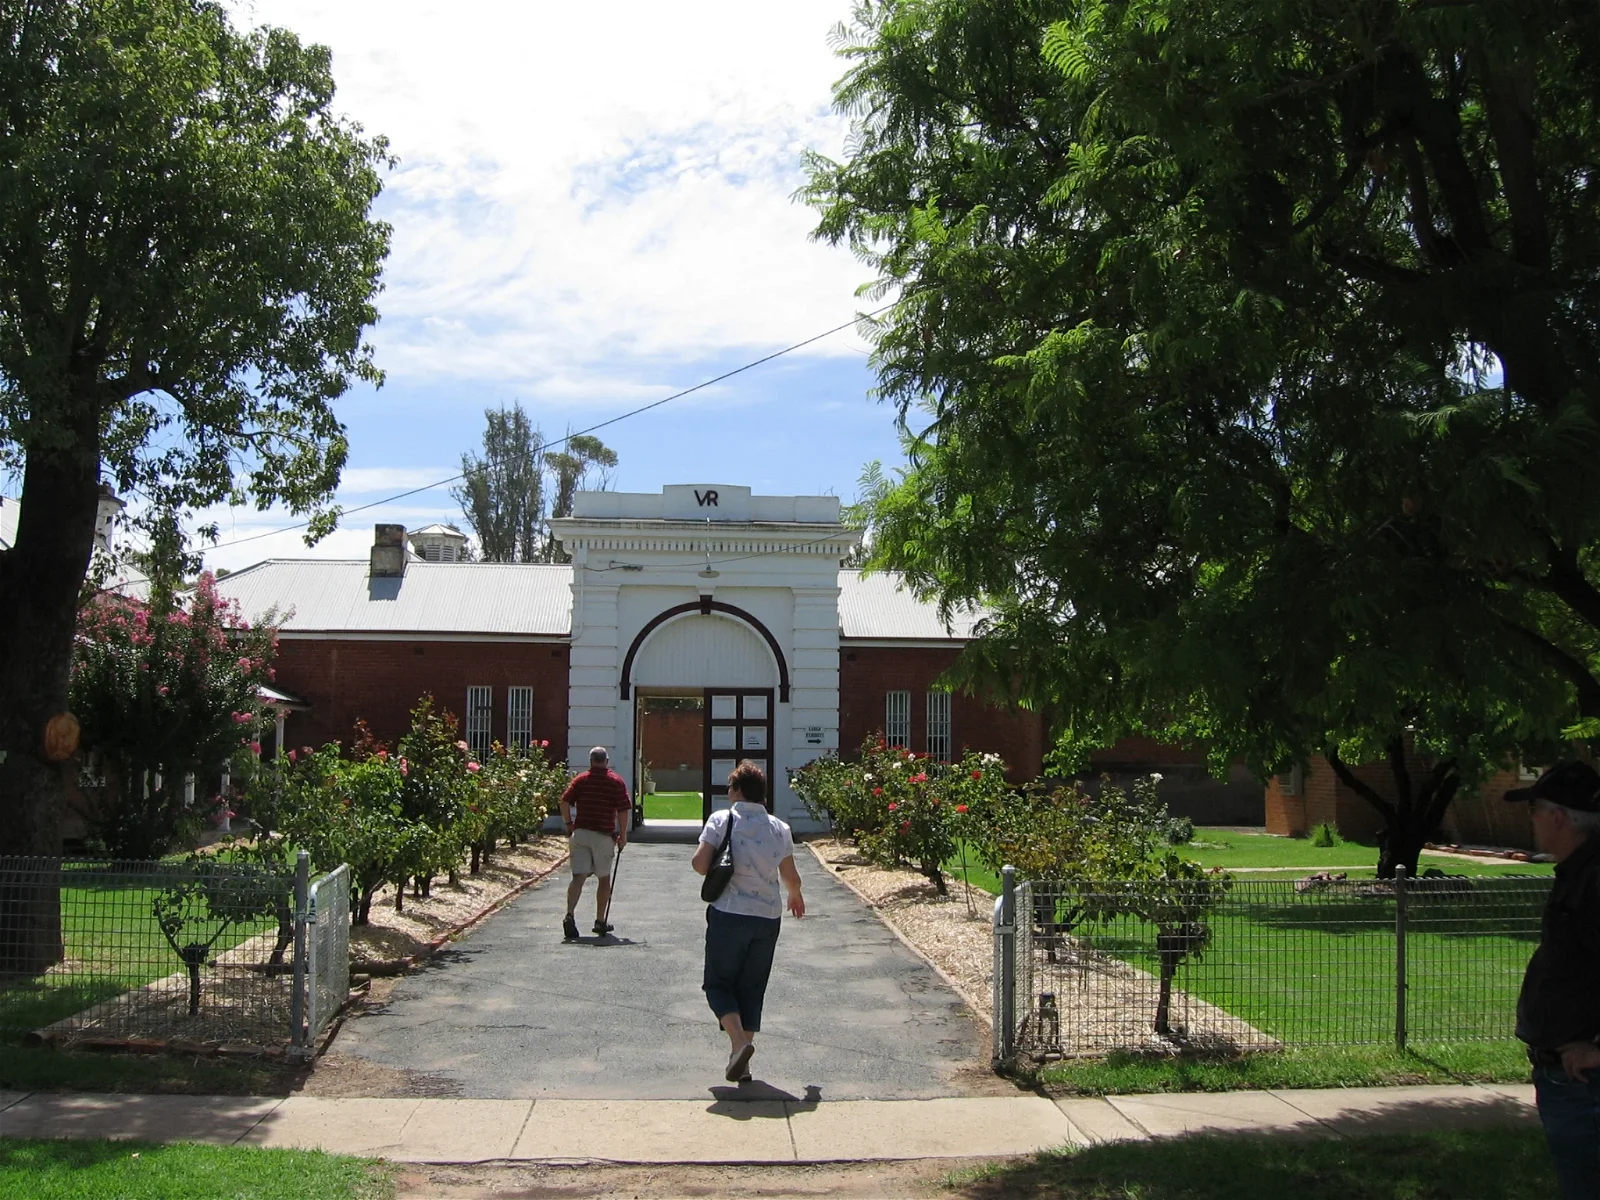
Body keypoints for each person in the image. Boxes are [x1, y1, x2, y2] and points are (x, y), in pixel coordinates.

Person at [1508, 760, 1600, 1199]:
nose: (1533, 820)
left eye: (1535, 810)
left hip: (1584, 1084)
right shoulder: (1579, 873)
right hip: (1566, 1079)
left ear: (1558, 817)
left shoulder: (1594, 881)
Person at [690, 760, 805, 1083]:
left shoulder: (721, 820)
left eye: (730, 787)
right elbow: (790, 876)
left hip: (730, 912)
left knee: (718, 984)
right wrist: (795, 896)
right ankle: (741, 1060)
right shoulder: (779, 828)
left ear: (739, 790)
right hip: (767, 917)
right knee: (752, 988)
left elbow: (700, 865)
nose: (727, 793)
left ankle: (739, 1043)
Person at [558, 746, 631, 941]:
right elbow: (623, 810)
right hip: (603, 835)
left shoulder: (581, 780)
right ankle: (600, 920)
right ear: (606, 761)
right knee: (604, 878)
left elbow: (564, 802)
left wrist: (568, 824)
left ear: (591, 761)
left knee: (578, 877)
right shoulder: (615, 782)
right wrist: (623, 835)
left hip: (581, 833)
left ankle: (570, 914)